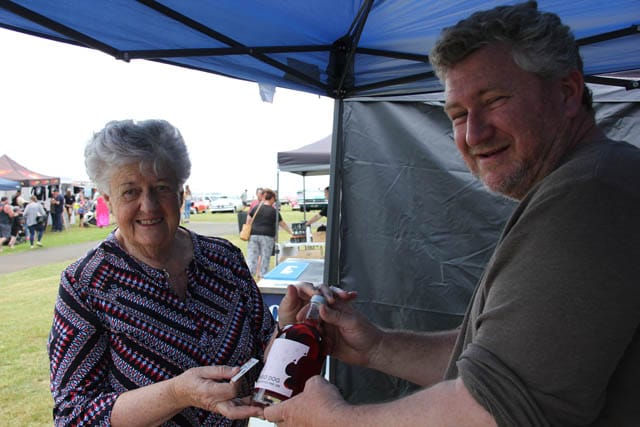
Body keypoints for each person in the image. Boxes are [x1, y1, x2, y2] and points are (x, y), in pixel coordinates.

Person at [262, 2, 640, 426]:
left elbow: (496, 411)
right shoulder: (595, 180)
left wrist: (334, 419)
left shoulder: (590, 194)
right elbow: (497, 363)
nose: (474, 134)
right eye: (458, 115)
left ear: (567, 92)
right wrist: (377, 347)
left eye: (494, 100)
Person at [48, 119, 280, 426]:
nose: (149, 206)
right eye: (130, 192)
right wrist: (175, 394)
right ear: (108, 202)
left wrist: (290, 327)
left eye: (161, 188)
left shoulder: (224, 259)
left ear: (181, 194)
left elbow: (265, 345)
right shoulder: (86, 284)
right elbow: (73, 414)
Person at [246, 188, 293, 279]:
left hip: (253, 235)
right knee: (265, 257)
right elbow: (282, 224)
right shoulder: (274, 211)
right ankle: (262, 276)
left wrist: (248, 227)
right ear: (272, 198)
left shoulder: (256, 208)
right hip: (267, 237)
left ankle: (249, 277)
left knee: (252, 257)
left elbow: (249, 218)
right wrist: (291, 232)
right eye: (274, 199)